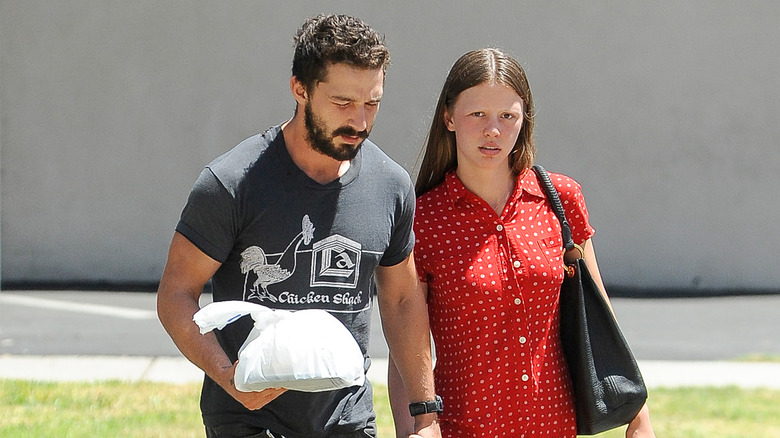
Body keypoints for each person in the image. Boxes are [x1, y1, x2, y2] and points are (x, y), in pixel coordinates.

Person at [157, 14, 441, 438]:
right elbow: (176, 295)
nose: (360, 121)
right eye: (343, 103)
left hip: (347, 419)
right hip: (247, 419)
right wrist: (228, 375)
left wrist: (425, 415)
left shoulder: (391, 186)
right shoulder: (231, 183)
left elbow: (401, 301)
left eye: (372, 103)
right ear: (300, 89)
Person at [388, 48, 655, 437]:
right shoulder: (423, 220)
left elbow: (601, 315)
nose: (492, 130)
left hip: (555, 427)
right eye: (477, 113)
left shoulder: (561, 199)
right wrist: (411, 428)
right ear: (448, 117)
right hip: (463, 429)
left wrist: (639, 415)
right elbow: (405, 351)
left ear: (523, 121)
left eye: (507, 116)